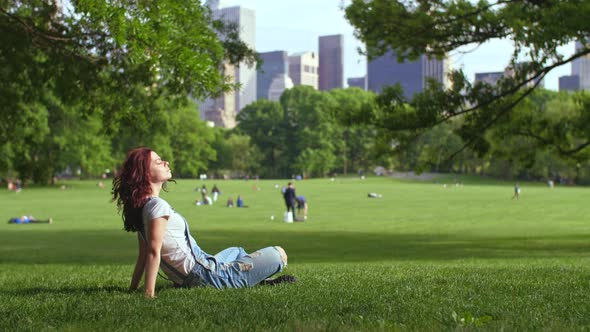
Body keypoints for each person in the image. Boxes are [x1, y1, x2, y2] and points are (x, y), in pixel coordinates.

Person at [112, 147, 295, 298]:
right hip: (206, 275)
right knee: (280, 254)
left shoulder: (144, 208)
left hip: (201, 266)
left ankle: (255, 279)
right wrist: (148, 294)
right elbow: (152, 252)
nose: (166, 162)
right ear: (145, 172)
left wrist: (133, 288)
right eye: (159, 162)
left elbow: (143, 255)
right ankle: (249, 280)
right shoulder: (157, 206)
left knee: (237, 251)